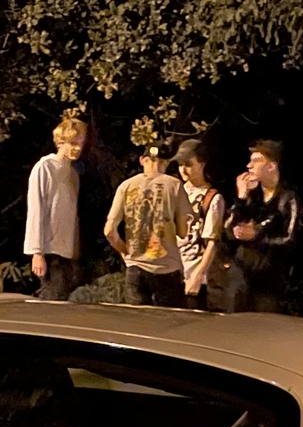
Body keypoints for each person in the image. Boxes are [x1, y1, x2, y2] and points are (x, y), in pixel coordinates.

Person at [103, 140, 190, 306]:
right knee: (170, 326)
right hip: (167, 269)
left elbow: (109, 231)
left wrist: (125, 250)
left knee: (137, 325)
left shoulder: (126, 186)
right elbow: (183, 231)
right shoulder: (175, 186)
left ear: (143, 160)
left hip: (136, 268)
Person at [226, 140, 301, 312]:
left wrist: (257, 238)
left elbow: (290, 241)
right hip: (241, 277)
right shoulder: (252, 195)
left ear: (271, 166)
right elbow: (227, 230)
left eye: (256, 161)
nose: (249, 166)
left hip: (269, 282)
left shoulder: (287, 198)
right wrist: (241, 198)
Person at [23, 116, 86, 301]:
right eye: (73, 143)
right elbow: (36, 209)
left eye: (80, 143)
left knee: (63, 297)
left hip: (65, 250)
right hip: (49, 249)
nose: (77, 148)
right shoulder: (46, 166)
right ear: (61, 142)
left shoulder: (73, 174)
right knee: (52, 298)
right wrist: (37, 252)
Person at [175, 139, 229, 311]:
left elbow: (212, 241)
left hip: (195, 274)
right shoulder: (175, 192)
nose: (183, 170)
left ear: (201, 164)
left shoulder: (211, 198)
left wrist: (197, 277)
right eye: (180, 164)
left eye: (189, 164)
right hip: (171, 273)